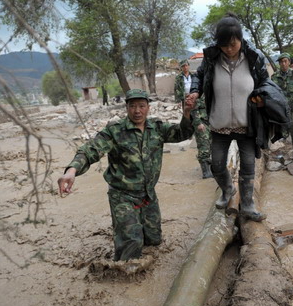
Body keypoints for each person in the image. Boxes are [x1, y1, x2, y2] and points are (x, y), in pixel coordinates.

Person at [57, 89, 194, 261]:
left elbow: (183, 133)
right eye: (133, 106)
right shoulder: (115, 131)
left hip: (148, 194)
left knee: (154, 241)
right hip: (122, 196)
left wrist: (187, 113)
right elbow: (90, 150)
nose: (137, 111)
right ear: (127, 108)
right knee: (131, 248)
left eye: (142, 106)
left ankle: (134, 232)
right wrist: (71, 171)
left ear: (148, 108)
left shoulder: (157, 128)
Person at [187, 14, 275, 222]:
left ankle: (248, 204)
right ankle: (227, 190)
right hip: (220, 124)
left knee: (248, 166)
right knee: (216, 164)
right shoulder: (211, 58)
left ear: (240, 39)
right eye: (224, 45)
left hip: (247, 125)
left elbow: (265, 82)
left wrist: (263, 99)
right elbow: (198, 76)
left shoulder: (254, 58)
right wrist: (195, 91)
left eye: (233, 44)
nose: (229, 48)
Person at [175, 59, 213, 179]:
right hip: (201, 119)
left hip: (212, 120)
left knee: (212, 144)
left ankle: (211, 166)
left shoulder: (211, 87)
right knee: (203, 144)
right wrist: (197, 123)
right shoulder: (196, 88)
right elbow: (194, 109)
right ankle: (205, 171)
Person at [272, 53, 293, 160]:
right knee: (282, 130)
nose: (283, 64)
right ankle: (282, 151)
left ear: (289, 62)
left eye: (285, 61)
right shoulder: (275, 76)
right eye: (281, 62)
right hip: (281, 109)